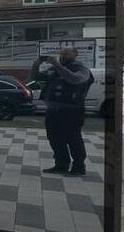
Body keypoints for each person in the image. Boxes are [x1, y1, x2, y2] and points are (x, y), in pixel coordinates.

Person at [30, 47, 94, 176]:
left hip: (72, 110)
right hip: (53, 110)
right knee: (55, 138)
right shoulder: (54, 69)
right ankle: (61, 164)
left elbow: (75, 80)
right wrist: (35, 65)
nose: (63, 55)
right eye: (62, 53)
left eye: (66, 53)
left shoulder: (81, 69)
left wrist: (57, 65)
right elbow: (36, 78)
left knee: (73, 138)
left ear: (75, 54)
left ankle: (79, 166)